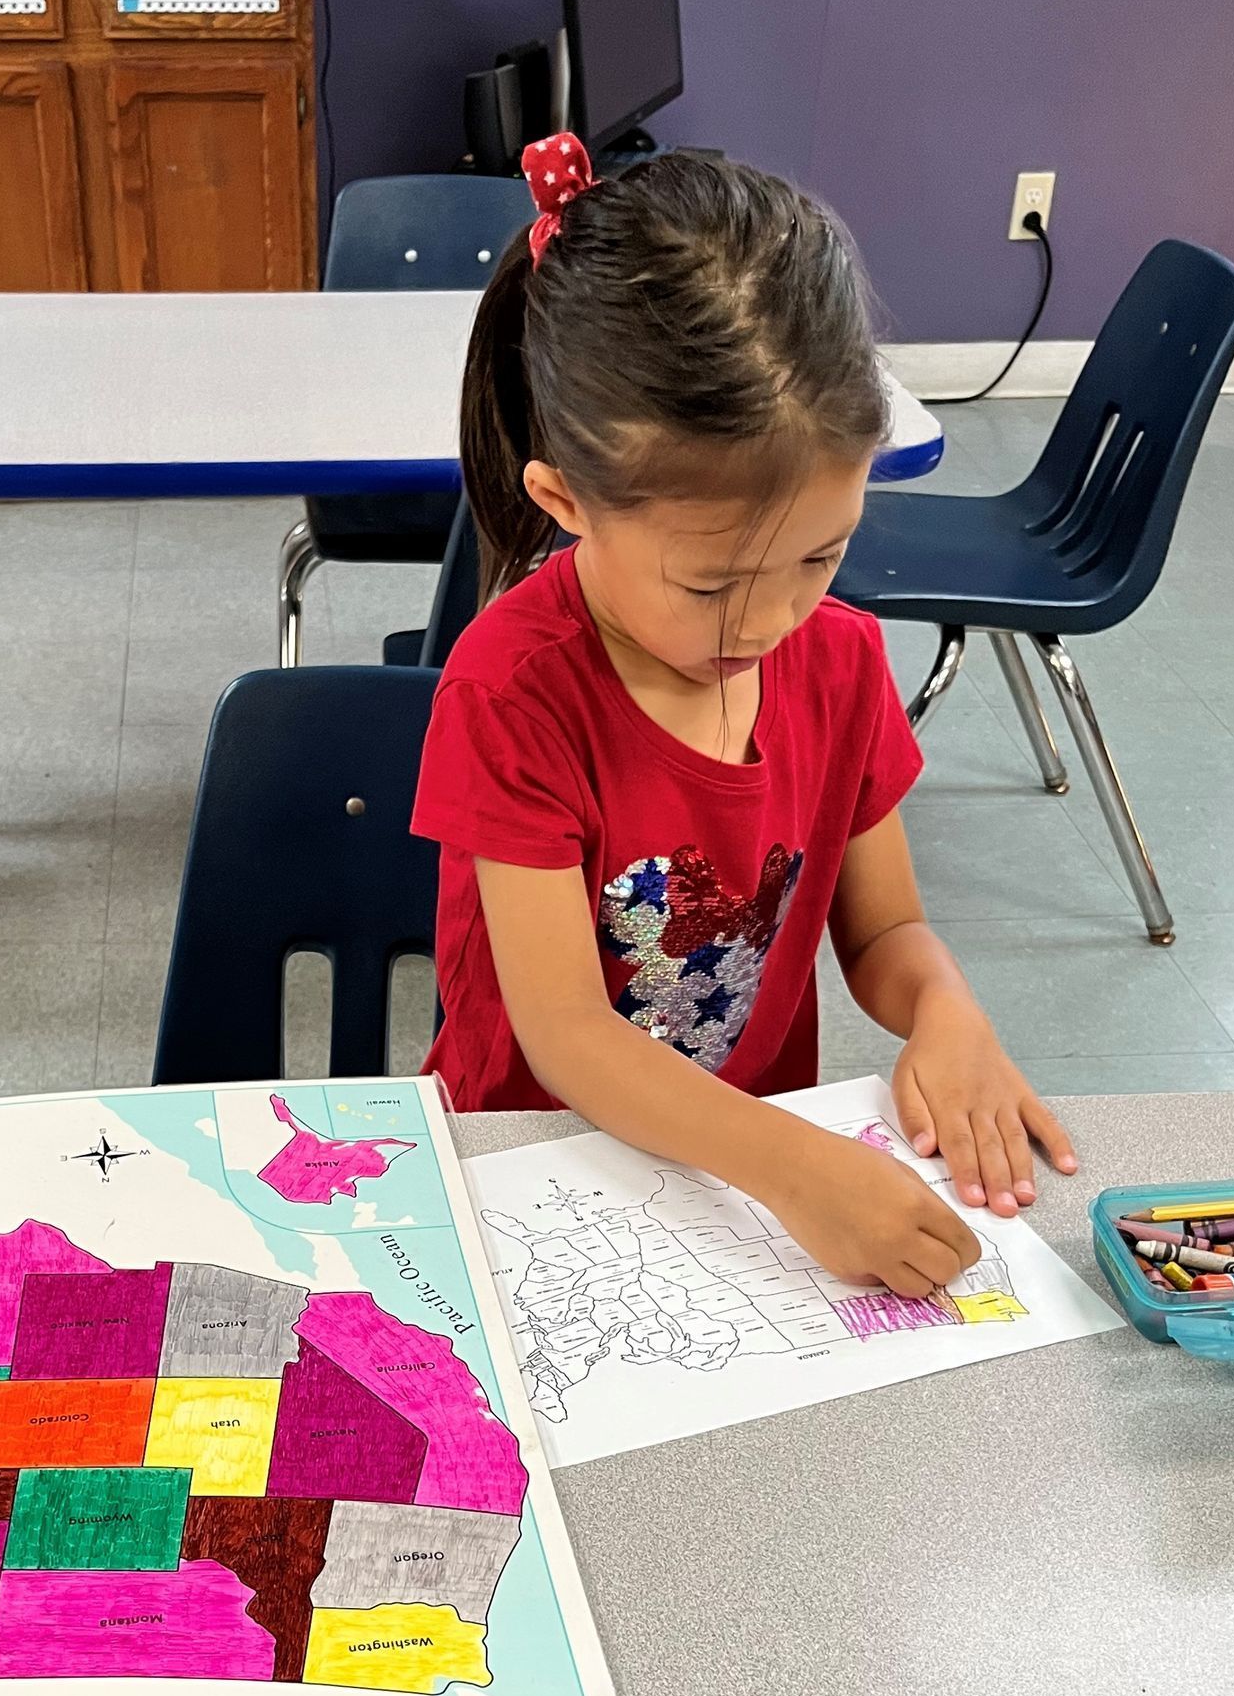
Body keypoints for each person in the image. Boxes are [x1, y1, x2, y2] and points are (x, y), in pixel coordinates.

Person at [411, 134, 1077, 1302]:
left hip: (738, 1184)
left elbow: (881, 937)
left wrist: (944, 1006)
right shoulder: (510, 691)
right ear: (567, 502)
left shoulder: (843, 661)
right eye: (713, 585)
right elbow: (563, 1032)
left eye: (822, 555)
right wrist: (793, 1169)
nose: (768, 619)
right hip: (535, 1170)